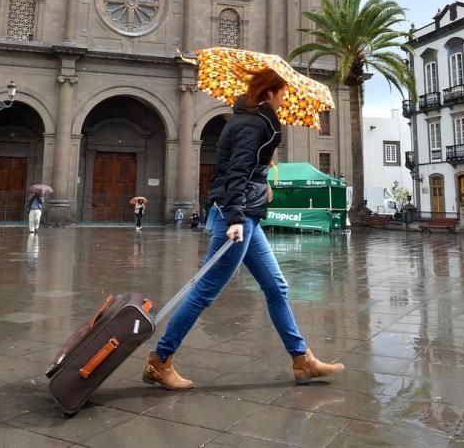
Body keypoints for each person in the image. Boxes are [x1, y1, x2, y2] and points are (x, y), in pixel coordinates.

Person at [143, 67, 345, 390]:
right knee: (205, 291)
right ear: (268, 93)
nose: (284, 98)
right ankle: (160, 360)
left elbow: (243, 167)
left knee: (277, 287)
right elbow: (236, 172)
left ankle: (302, 360)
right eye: (281, 92)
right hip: (237, 217)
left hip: (246, 212)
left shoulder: (246, 119)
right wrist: (236, 218)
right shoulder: (255, 124)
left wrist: (262, 181)